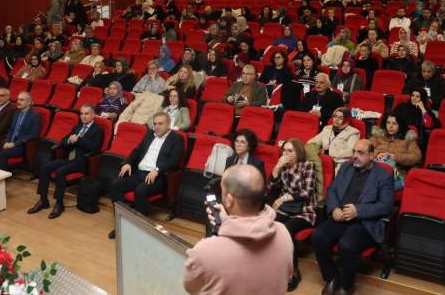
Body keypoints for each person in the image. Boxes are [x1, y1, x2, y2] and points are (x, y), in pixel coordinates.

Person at [183, 165, 293, 295]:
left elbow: (191, 288)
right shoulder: (283, 233)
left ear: (229, 200)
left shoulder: (204, 252)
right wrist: (226, 222)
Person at [312, 139, 395, 295]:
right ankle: (332, 277)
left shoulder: (384, 176)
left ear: (371, 156)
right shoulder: (346, 167)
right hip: (340, 217)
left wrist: (358, 211)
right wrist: (334, 208)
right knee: (317, 235)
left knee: (347, 244)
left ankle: (347, 285)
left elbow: (386, 205)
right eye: (354, 152)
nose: (355, 156)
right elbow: (332, 190)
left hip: (364, 223)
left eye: (360, 153)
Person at [109, 112, 185, 238]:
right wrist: (128, 163)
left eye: (160, 124)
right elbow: (137, 150)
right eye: (155, 124)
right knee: (115, 185)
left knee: (140, 191)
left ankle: (138, 228)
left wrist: (157, 170)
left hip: (158, 177)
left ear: (168, 125)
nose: (157, 127)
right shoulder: (149, 134)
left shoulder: (177, 139)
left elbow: (175, 160)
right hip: (139, 172)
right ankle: (122, 223)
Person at [29, 104, 105, 219]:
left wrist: (78, 140)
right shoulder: (77, 126)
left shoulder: (98, 130)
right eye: (81, 114)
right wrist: (69, 141)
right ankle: (43, 200)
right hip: (68, 158)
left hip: (81, 162)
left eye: (86, 114)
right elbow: (63, 140)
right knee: (44, 168)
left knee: (60, 172)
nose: (83, 116)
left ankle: (59, 204)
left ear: (93, 115)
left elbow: (95, 147)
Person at [269, 138, 317, 291]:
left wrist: (282, 198)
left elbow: (306, 192)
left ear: (298, 152)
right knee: (271, 225)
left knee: (287, 229)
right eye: (284, 150)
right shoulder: (283, 167)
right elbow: (270, 186)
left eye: (290, 151)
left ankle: (293, 271)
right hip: (287, 209)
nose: (286, 154)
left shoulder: (308, 166)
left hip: (304, 210)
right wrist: (277, 167)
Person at [0, 91, 42, 170]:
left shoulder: (35, 116)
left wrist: (14, 144)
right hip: (10, 142)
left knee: (2, 153)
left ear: (29, 102)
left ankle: (1, 176)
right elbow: (11, 130)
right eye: (18, 99)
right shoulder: (17, 113)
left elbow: (34, 135)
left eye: (21, 100)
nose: (18, 102)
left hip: (22, 146)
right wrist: (6, 141)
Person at [371, 112, 422, 191]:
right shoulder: (379, 135)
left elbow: (417, 156)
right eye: (388, 123)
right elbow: (366, 149)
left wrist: (396, 157)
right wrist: (378, 154)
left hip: (398, 175)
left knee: (380, 189)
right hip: (376, 170)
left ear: (400, 125)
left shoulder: (408, 139)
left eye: (394, 123)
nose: (390, 126)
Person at [308, 108, 360, 175]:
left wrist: (329, 152)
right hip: (322, 161)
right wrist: (319, 149)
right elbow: (312, 142)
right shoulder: (327, 129)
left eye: (340, 118)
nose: (336, 119)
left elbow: (351, 152)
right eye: (335, 116)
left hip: (338, 165)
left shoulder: (353, 132)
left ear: (347, 121)